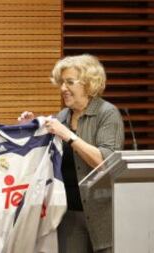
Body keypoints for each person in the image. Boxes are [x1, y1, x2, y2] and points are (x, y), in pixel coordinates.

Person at [18, 54, 124, 253]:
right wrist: (30, 128)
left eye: (69, 82)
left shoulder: (107, 113)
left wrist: (68, 135)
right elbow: (46, 158)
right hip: (68, 215)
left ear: (88, 83)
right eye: (61, 83)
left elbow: (107, 162)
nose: (63, 88)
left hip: (102, 215)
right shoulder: (63, 116)